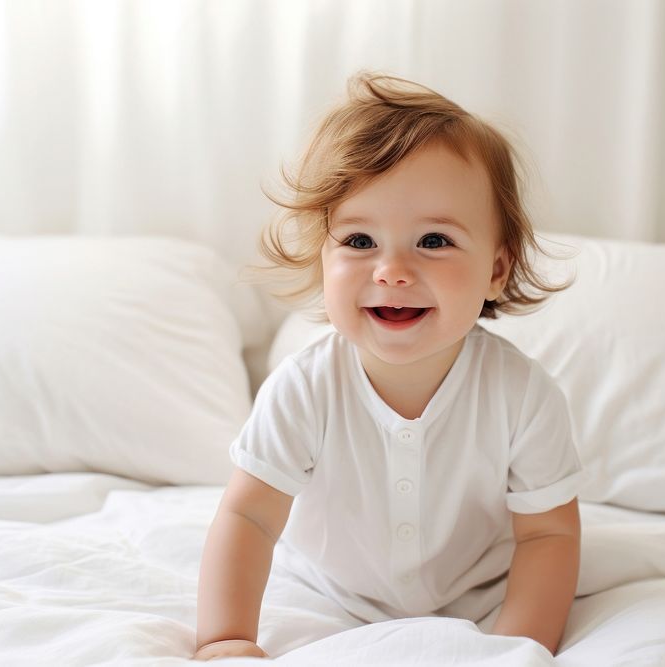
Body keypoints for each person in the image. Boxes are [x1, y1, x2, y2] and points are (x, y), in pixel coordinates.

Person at [194, 72, 582, 661]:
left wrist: (515, 646)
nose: (392, 270)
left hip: (480, 599)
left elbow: (548, 534)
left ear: (496, 270)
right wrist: (226, 639)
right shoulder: (304, 389)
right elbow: (248, 516)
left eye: (433, 241)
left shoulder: (522, 394)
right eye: (358, 241)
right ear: (322, 258)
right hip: (326, 597)